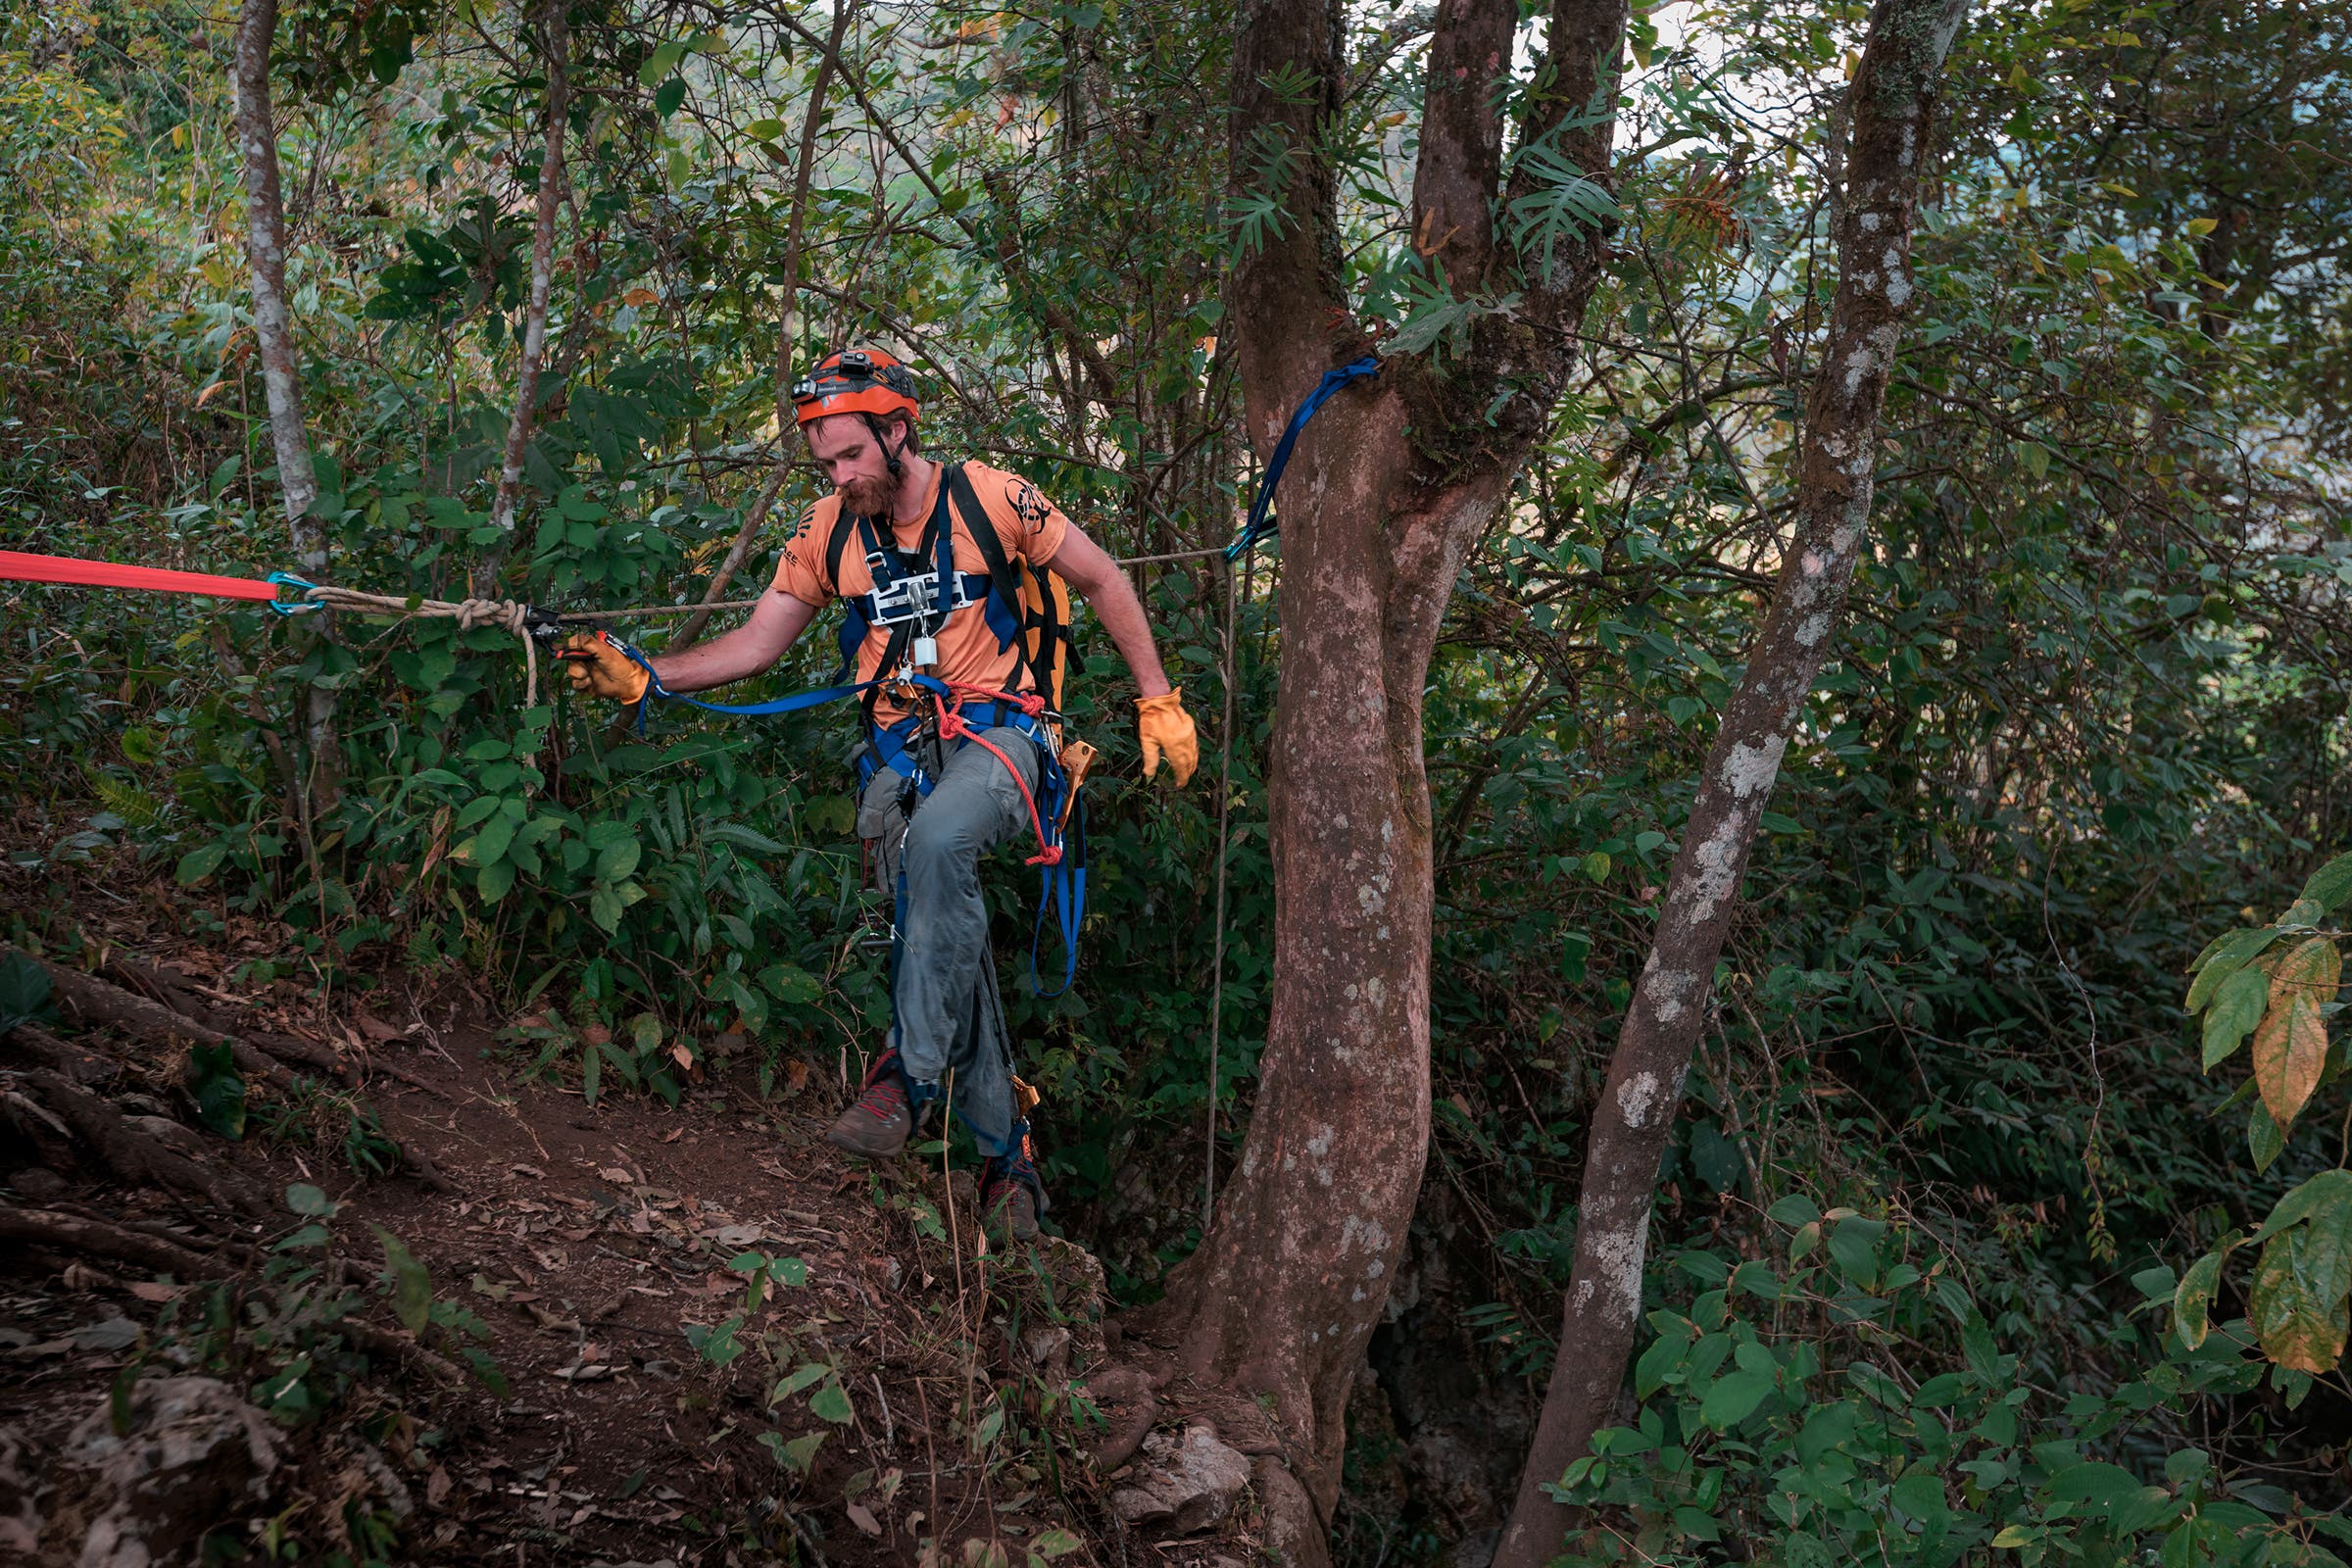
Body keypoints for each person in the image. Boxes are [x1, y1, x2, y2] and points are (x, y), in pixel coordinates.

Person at [559, 347, 1198, 1239]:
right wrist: (648, 675)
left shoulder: (991, 497)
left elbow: (1102, 578)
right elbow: (754, 645)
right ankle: (1007, 1165)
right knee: (948, 935)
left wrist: (1156, 696)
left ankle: (905, 1077)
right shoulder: (829, 533)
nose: (841, 475)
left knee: (940, 847)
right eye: (826, 464)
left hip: (1006, 736)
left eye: (853, 455)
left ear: (898, 429)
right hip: (902, 751)